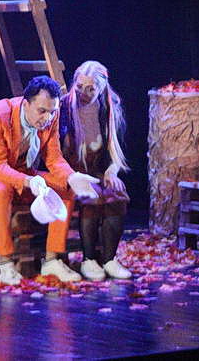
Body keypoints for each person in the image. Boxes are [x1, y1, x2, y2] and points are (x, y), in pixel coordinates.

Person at [0, 76, 101, 285]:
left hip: (21, 176)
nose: (47, 117)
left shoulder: (51, 116)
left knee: (65, 188)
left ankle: (51, 260)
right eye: (42, 111)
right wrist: (28, 181)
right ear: (26, 104)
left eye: (52, 111)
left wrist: (72, 177)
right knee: (1, 189)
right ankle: (6, 265)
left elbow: (53, 158)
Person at [59, 61, 133, 281]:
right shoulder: (64, 108)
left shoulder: (109, 108)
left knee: (117, 193)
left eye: (91, 89)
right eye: (80, 86)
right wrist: (72, 176)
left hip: (96, 171)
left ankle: (109, 259)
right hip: (71, 173)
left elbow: (115, 151)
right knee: (92, 196)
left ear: (101, 89)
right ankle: (89, 259)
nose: (84, 93)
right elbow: (54, 152)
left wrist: (111, 171)